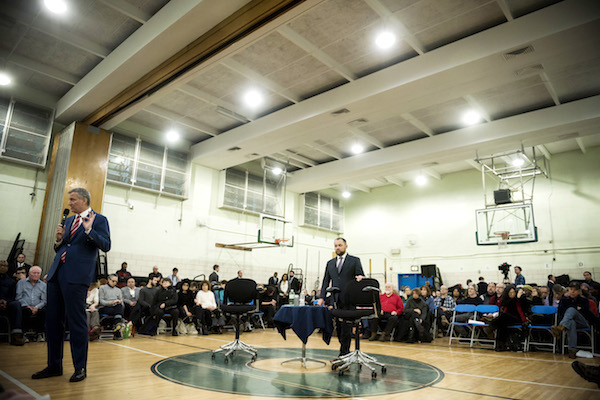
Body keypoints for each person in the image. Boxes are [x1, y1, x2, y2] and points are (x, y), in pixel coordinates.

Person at [33, 188, 110, 383]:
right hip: (57, 273)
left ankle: (80, 368)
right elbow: (64, 246)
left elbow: (106, 245)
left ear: (84, 200)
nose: (70, 203)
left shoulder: (99, 219)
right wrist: (59, 240)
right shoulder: (68, 221)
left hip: (77, 277)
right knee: (52, 322)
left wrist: (89, 230)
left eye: (73, 200)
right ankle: (54, 365)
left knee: (76, 323)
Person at [317, 237, 364, 356]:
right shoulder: (330, 263)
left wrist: (361, 279)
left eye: (340, 245)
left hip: (349, 300)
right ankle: (343, 350)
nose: (337, 247)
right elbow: (325, 281)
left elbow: (361, 276)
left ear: (346, 246)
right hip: (335, 300)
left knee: (346, 328)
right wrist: (321, 297)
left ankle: (344, 353)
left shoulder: (354, 261)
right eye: (336, 245)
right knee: (338, 328)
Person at [551, 281, 599, 358]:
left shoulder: (583, 300)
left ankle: (560, 328)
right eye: (571, 289)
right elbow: (561, 312)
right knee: (571, 323)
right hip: (569, 322)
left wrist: (574, 309)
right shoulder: (564, 300)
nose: (572, 291)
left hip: (583, 321)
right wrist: (576, 308)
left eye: (575, 290)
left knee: (571, 310)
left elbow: (586, 313)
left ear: (579, 291)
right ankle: (572, 351)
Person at [489, 285, 530, 351]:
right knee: (502, 324)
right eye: (510, 293)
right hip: (507, 319)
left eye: (513, 292)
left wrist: (518, 297)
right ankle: (500, 346)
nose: (512, 294)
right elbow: (507, 306)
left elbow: (524, 307)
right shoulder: (506, 300)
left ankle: (492, 325)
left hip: (517, 318)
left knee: (503, 318)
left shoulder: (521, 298)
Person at [16, 266, 47, 341]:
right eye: (34, 273)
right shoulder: (21, 283)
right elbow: (18, 297)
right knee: (25, 311)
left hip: (38, 306)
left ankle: (40, 334)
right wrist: (27, 306)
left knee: (44, 311)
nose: (36, 275)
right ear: (29, 274)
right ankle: (24, 334)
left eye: (38, 273)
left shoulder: (43, 285)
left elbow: (44, 300)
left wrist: (37, 307)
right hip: (25, 306)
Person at [98, 274, 124, 339]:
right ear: (108, 280)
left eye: (116, 281)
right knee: (118, 312)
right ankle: (117, 326)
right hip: (105, 307)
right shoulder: (102, 288)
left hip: (116, 307)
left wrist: (119, 302)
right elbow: (101, 301)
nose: (115, 283)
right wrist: (110, 303)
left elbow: (122, 303)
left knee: (119, 306)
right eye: (113, 281)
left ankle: (117, 326)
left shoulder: (118, 290)